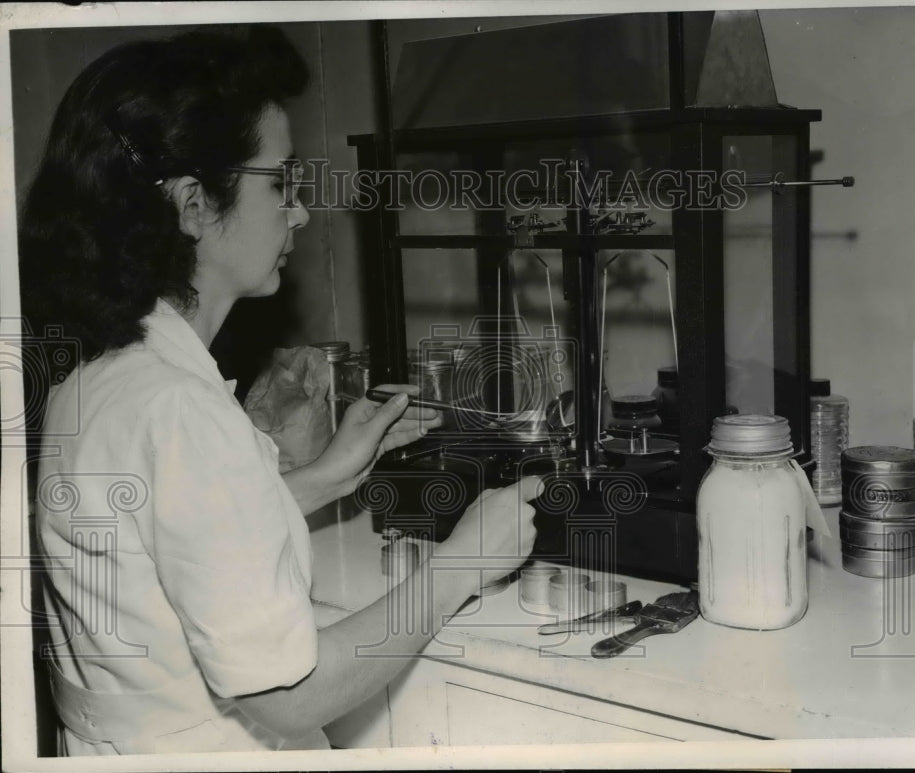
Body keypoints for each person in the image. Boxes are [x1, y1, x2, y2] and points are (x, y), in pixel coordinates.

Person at [19, 26, 541, 755]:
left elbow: (173, 531)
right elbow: (292, 697)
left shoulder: (98, 374)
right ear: (194, 202)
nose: (298, 211)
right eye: (282, 182)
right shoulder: (180, 410)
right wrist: (463, 563)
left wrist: (326, 474)